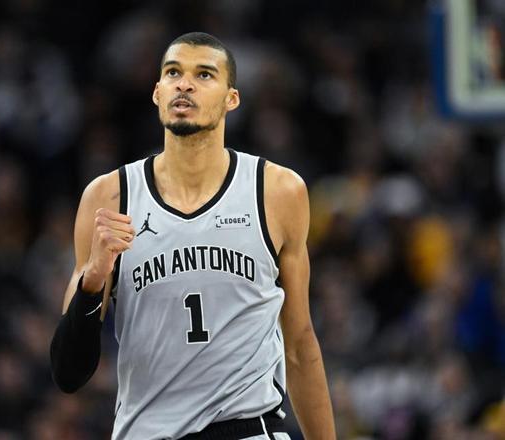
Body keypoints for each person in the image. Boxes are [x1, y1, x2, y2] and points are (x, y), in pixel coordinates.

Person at [50, 32, 336, 440]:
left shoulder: (276, 191)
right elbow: (67, 373)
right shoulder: (109, 197)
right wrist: (92, 282)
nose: (184, 84)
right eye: (173, 73)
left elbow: (300, 345)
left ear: (231, 99)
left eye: (204, 74)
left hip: (247, 429)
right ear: (157, 93)